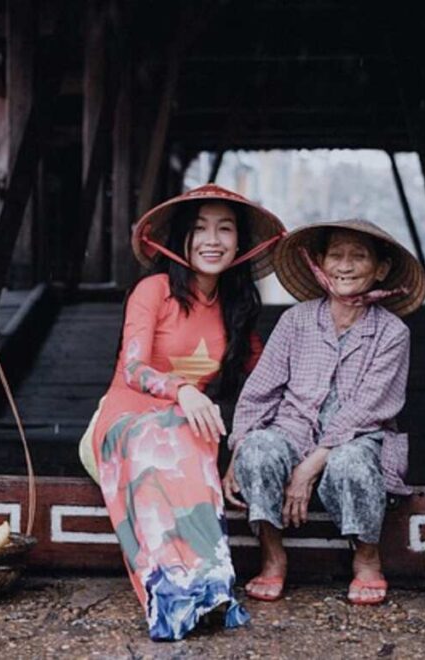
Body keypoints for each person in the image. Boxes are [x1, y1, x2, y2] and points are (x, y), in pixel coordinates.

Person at [81, 183, 285, 640]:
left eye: (225, 229)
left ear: (239, 243)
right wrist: (184, 392)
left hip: (186, 431)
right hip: (122, 421)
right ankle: (171, 594)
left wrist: (247, 445)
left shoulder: (237, 306)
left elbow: (266, 382)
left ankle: (210, 588)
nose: (212, 240)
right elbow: (132, 368)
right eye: (200, 229)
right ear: (181, 239)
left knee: (194, 433)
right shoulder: (152, 290)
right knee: (177, 427)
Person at [223, 219, 425, 606]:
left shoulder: (392, 332)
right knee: (258, 450)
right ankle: (272, 553)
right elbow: (259, 392)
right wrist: (239, 448)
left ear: (380, 269)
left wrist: (309, 467)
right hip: (292, 429)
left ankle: (366, 558)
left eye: (359, 256)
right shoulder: (295, 321)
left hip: (358, 438)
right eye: (336, 255)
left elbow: (367, 409)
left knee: (352, 464)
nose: (345, 266)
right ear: (319, 263)